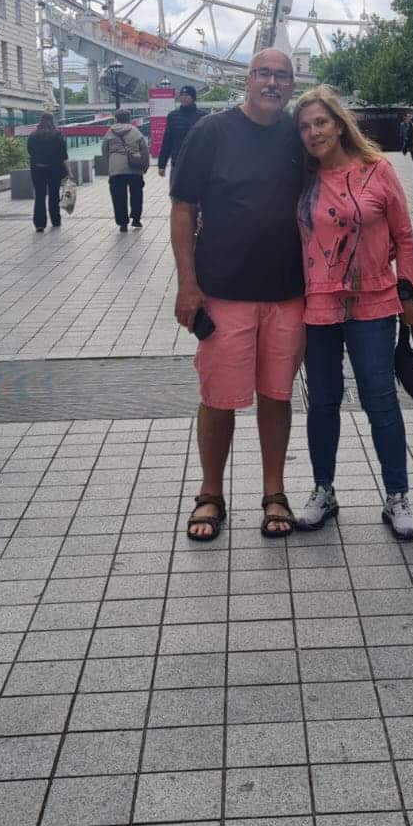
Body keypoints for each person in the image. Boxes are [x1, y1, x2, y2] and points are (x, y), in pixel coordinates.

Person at [170, 49, 305, 542]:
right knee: (218, 398)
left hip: (288, 292)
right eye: (263, 73)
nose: (272, 82)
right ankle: (210, 493)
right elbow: (182, 208)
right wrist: (187, 283)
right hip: (223, 292)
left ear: (291, 86)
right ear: (246, 80)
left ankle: (274, 492)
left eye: (281, 76)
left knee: (277, 394)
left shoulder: (298, 135)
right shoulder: (211, 132)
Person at [293, 86, 413, 540]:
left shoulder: (376, 169)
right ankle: (323, 490)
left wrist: (409, 296)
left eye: (321, 122)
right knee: (322, 401)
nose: (314, 132)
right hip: (317, 302)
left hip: (373, 299)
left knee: (380, 398)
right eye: (305, 126)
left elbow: (403, 235)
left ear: (339, 124)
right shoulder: (300, 177)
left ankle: (397, 496)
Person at [102, 110, 150, 232]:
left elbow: (104, 151)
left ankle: (122, 223)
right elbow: (144, 149)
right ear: (129, 119)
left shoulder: (109, 132)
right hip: (135, 167)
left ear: (116, 119)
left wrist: (110, 165)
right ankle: (136, 219)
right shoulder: (135, 131)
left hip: (116, 168)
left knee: (118, 197)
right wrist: (145, 165)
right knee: (136, 195)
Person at [27, 113, 70, 232]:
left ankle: (39, 224)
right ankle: (55, 220)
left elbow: (30, 151)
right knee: (54, 195)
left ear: (41, 121)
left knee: (39, 196)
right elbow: (64, 155)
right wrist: (69, 172)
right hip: (54, 169)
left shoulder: (33, 135)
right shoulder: (57, 135)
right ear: (53, 121)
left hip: (37, 169)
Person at [157, 85, 203, 178]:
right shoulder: (173, 116)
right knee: (176, 187)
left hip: (197, 163)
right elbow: (167, 141)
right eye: (182, 95)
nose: (184, 98)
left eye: (187, 95)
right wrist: (162, 164)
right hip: (177, 162)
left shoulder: (202, 116)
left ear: (193, 98)